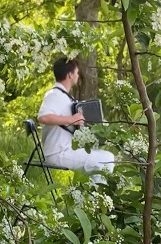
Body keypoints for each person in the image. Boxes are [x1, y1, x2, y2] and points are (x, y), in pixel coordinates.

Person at [37, 57, 115, 185]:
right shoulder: (54, 95)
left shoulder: (64, 97)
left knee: (104, 157)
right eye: (77, 73)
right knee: (106, 159)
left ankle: (94, 193)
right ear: (70, 75)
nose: (78, 76)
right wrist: (71, 119)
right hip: (57, 153)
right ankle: (98, 195)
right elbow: (43, 117)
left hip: (64, 150)